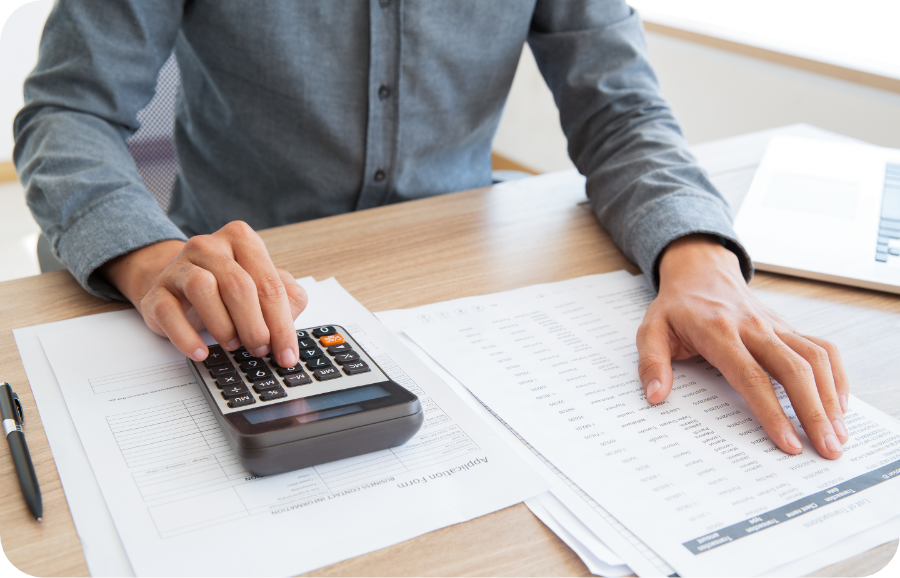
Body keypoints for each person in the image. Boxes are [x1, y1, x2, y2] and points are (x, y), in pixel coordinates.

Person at [14, 0, 848, 460]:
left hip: (460, 286)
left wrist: (698, 256)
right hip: (228, 291)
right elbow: (67, 109)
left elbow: (621, 112)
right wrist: (147, 254)